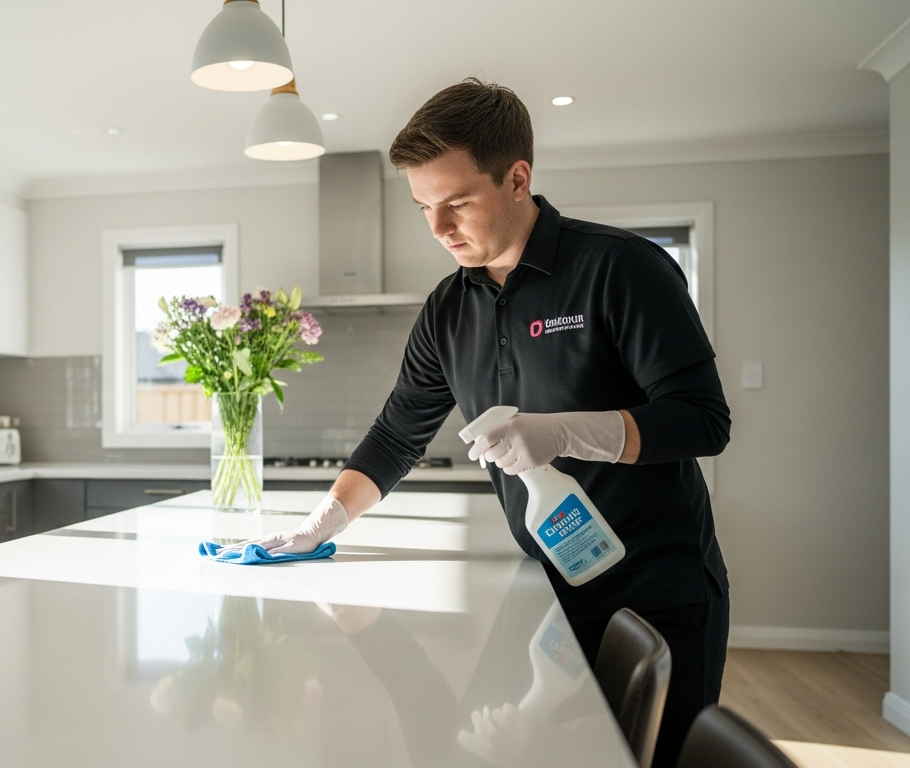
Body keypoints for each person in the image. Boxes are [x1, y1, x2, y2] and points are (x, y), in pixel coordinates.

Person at [240, 78, 731, 768]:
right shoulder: (447, 310)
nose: (439, 229)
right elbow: (396, 434)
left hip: (655, 591)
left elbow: (703, 420)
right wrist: (322, 522)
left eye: (458, 203)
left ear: (517, 178)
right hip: (543, 596)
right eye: (423, 209)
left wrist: (564, 432)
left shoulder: (620, 269)